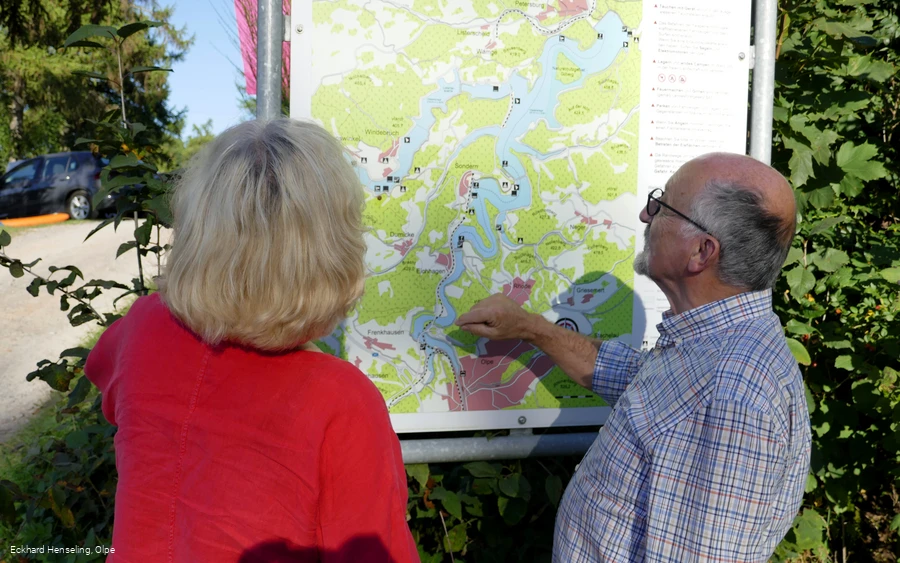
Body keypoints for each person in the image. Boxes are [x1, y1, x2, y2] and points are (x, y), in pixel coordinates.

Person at [85, 119, 419, 562]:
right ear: (332, 250)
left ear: (197, 231)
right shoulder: (343, 402)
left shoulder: (142, 329)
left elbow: (114, 397)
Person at [456, 152, 812, 562]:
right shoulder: (714, 345)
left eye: (662, 206)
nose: (646, 215)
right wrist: (530, 328)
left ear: (701, 252)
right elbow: (629, 379)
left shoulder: (729, 394)